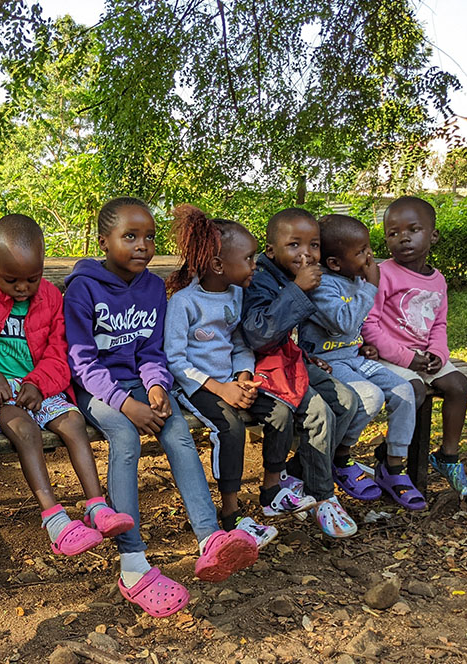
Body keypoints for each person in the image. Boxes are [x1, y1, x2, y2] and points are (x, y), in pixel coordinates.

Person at [64, 196, 258, 618]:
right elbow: (82, 362)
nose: (142, 246)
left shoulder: (152, 287)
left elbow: (153, 350)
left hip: (140, 386)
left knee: (178, 434)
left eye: (149, 238)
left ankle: (210, 540)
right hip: (98, 390)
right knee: (126, 438)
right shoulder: (84, 288)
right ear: (104, 240)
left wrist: (155, 386)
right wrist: (125, 403)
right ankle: (132, 564)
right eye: (130, 237)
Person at [0, 214, 133, 557]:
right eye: (11, 280)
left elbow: (58, 351)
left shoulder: (49, 297)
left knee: (73, 421)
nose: (22, 288)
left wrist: (37, 384)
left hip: (36, 385)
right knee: (23, 428)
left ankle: (97, 506)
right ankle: (54, 518)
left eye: (31, 279)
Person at [163, 204, 309, 542]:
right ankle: (230, 515)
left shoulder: (238, 295)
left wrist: (243, 377)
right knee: (230, 429)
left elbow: (240, 342)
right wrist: (221, 388)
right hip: (195, 383)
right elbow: (175, 360)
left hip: (232, 380)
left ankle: (272, 490)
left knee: (280, 411)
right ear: (217, 265)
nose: (255, 266)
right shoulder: (184, 303)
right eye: (248, 259)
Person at [240, 207, 365, 538]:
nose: (307, 254)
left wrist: (308, 356)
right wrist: (297, 289)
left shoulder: (297, 274)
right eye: (294, 245)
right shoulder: (261, 278)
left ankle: (299, 474)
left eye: (314, 245)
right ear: (272, 250)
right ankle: (324, 496)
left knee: (346, 402)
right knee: (319, 413)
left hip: (294, 361)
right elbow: (259, 335)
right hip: (263, 370)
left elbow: (292, 333)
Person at [298, 215, 424, 510]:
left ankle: (393, 467)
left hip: (353, 357)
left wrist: (366, 344)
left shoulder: (354, 279)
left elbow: (356, 328)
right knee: (370, 396)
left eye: (368, 248)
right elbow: (344, 321)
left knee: (405, 391)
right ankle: (340, 459)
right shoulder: (321, 285)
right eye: (361, 252)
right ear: (334, 263)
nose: (369, 257)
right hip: (326, 362)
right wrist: (372, 286)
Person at [362, 196, 467, 496]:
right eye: (393, 232)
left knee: (458, 385)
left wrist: (438, 355)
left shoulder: (438, 280)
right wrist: (407, 359)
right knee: (415, 390)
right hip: (390, 357)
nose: (403, 238)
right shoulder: (383, 273)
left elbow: (438, 324)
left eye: (413, 229)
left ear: (433, 235)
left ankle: (448, 457)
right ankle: (391, 454)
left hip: (424, 356)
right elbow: (368, 325)